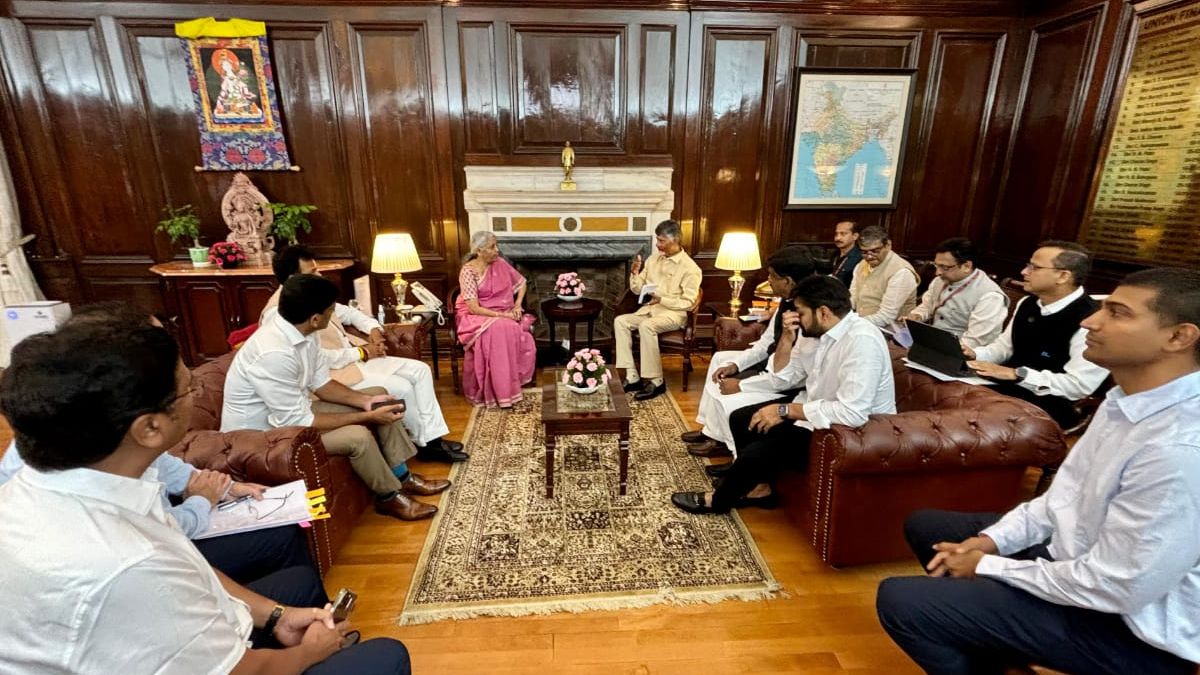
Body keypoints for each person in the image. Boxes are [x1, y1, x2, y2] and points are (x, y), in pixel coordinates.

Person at [0, 316, 411, 673]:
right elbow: (242, 671)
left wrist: (277, 617)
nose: (197, 392)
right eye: (188, 388)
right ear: (149, 428)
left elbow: (190, 567)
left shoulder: (77, 483)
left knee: (299, 584)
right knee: (386, 657)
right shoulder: (126, 563)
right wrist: (309, 654)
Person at [876, 267, 1200, 675]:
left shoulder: (1179, 449)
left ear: (1179, 337)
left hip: (1131, 630)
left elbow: (1120, 586)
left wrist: (987, 565)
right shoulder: (1124, 400)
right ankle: (992, 639)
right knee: (929, 527)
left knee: (902, 600)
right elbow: (1061, 500)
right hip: (1079, 558)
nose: (1089, 321)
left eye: (1117, 313)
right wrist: (990, 542)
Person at [224, 275, 447, 521]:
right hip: (263, 436)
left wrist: (366, 403)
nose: (334, 316)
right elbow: (298, 421)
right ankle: (389, 497)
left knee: (380, 397)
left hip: (295, 413)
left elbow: (321, 384)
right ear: (315, 318)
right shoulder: (273, 353)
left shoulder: (304, 331)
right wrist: (367, 416)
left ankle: (402, 476)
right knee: (358, 436)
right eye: (331, 311)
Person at [671, 275, 895, 514]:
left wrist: (784, 410)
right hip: (817, 410)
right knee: (741, 418)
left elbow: (852, 413)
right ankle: (760, 489)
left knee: (759, 451)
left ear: (823, 312)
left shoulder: (862, 341)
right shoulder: (813, 332)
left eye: (801, 312)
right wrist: (787, 339)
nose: (796, 317)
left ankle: (718, 501)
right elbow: (785, 377)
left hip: (851, 430)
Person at [266, 246, 466, 463]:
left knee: (421, 370)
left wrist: (373, 330)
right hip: (336, 373)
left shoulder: (311, 294)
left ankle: (433, 438)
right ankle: (426, 446)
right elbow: (317, 358)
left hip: (358, 360)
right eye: (313, 272)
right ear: (293, 278)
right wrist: (361, 352)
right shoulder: (278, 313)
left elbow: (351, 313)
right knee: (402, 386)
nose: (320, 275)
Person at [683, 245, 816, 461]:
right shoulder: (786, 302)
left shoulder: (810, 316)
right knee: (720, 360)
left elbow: (791, 376)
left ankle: (729, 448)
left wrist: (741, 384)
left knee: (726, 390)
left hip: (785, 380)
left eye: (772, 276)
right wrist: (736, 365)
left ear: (788, 281)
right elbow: (765, 343)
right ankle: (712, 432)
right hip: (772, 363)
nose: (768, 281)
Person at [965, 241, 1109, 428]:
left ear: (1063, 276)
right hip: (1002, 392)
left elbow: (1078, 386)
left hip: (1046, 408)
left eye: (1035, 267)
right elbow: (1004, 349)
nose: (1024, 272)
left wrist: (1017, 374)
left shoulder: (1092, 320)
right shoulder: (1027, 303)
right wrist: (974, 354)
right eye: (1028, 265)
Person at [614, 219, 703, 401]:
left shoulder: (691, 268)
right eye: (657, 239)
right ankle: (632, 376)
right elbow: (637, 290)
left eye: (661, 240)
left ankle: (657, 381)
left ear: (675, 240)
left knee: (647, 326)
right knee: (621, 321)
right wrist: (635, 274)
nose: (657, 244)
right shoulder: (653, 259)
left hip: (674, 314)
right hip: (650, 310)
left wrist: (662, 299)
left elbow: (688, 303)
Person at [455, 231, 537, 408]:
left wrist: (517, 305)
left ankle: (508, 387)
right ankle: (501, 392)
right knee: (502, 328)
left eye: (496, 245)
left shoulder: (500, 263)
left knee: (509, 328)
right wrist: (504, 316)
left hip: (504, 312)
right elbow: (473, 308)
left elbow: (522, 283)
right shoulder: (468, 271)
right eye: (492, 247)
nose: (497, 250)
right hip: (476, 316)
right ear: (479, 250)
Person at [905, 237, 1008, 349]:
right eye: (936, 265)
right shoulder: (940, 280)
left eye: (944, 267)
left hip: (962, 351)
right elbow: (927, 305)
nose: (937, 272)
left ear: (966, 266)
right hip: (934, 342)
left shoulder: (990, 296)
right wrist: (917, 316)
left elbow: (975, 341)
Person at [849, 225, 919, 328]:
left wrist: (851, 325)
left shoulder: (901, 272)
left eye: (875, 251)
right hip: (863, 325)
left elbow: (886, 317)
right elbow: (853, 297)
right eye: (864, 252)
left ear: (888, 245)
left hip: (892, 332)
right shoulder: (861, 265)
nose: (869, 256)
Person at [830, 220, 863, 288]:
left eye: (843, 234)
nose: (837, 238)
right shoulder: (835, 254)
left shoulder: (860, 257)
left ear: (855, 236)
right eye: (836, 234)